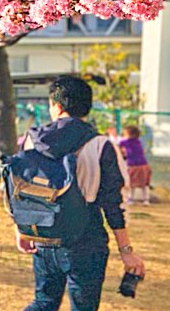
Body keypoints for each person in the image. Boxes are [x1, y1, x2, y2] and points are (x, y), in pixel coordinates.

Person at [16, 76, 145, 311]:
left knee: (43, 303)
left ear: (57, 106)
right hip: (87, 239)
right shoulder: (101, 145)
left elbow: (21, 192)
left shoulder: (29, 141)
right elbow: (113, 204)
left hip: (44, 236)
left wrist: (22, 230)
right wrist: (126, 252)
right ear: (87, 106)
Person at [118, 124, 151, 206]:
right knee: (144, 184)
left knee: (131, 183)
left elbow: (118, 147)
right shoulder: (139, 141)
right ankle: (146, 200)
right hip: (143, 164)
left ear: (128, 133)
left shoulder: (124, 142)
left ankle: (130, 199)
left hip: (132, 165)